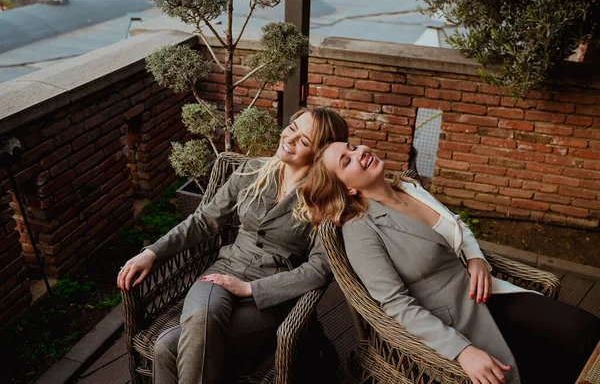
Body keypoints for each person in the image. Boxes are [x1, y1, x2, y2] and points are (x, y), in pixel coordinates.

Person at [297, 141, 600, 384]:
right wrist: (462, 350)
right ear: (348, 190)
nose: (359, 152)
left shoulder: (408, 186)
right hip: (456, 321)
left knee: (586, 331)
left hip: (488, 293)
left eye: (352, 147)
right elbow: (395, 304)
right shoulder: (361, 230)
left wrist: (477, 257)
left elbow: (456, 225)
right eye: (346, 161)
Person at [116, 107, 348, 384]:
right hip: (224, 271)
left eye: (304, 140)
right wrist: (153, 252)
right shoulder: (251, 171)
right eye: (292, 127)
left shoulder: (324, 200)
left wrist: (250, 288)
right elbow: (204, 220)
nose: (289, 137)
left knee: (167, 346)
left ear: (320, 153)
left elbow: (320, 269)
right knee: (202, 314)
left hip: (272, 296)